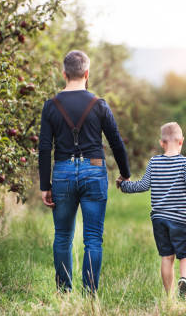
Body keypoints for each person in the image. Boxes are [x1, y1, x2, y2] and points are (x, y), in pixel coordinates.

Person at [38, 50, 131, 294]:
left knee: (62, 237)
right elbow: (116, 142)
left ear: (64, 74)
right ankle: (90, 294)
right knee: (92, 238)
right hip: (94, 170)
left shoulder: (51, 106)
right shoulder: (99, 105)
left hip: (62, 172)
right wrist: (125, 173)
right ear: (87, 74)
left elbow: (45, 147)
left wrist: (44, 185)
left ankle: (64, 292)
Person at [118, 122, 186, 299]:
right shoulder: (185, 163)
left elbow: (143, 185)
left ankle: (169, 297)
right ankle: (184, 280)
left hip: (159, 219)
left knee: (166, 257)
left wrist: (124, 185)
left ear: (162, 143)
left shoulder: (154, 161)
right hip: (180, 219)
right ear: (181, 141)